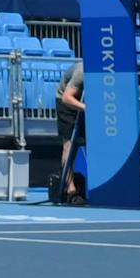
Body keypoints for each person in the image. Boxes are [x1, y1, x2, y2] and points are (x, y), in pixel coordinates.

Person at [53, 63, 86, 201]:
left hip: (83, 102)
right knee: (69, 145)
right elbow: (67, 97)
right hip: (66, 104)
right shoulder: (81, 71)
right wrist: (86, 108)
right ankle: (70, 190)